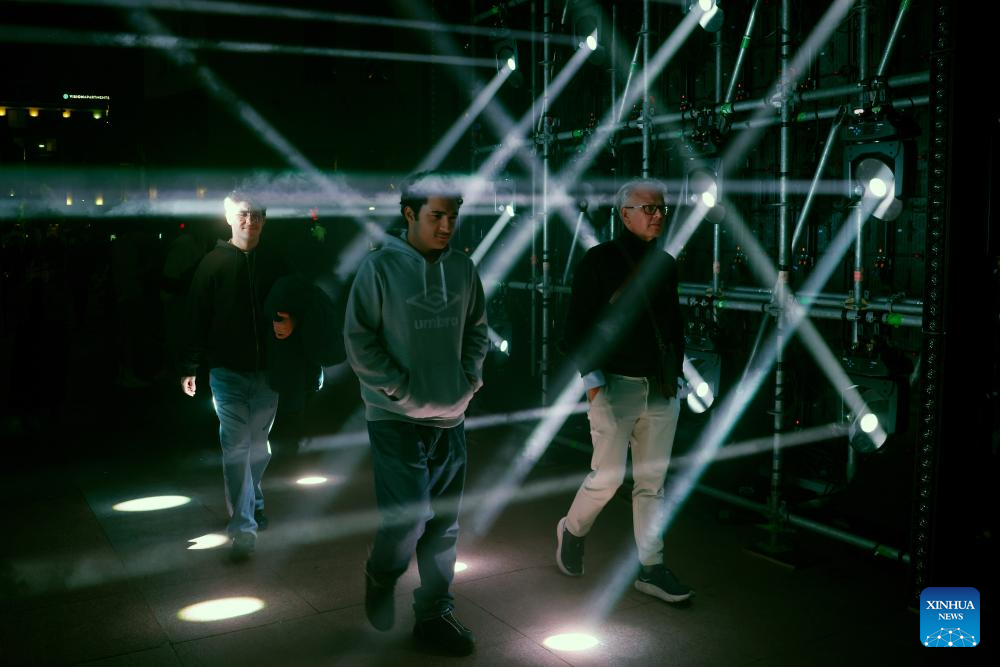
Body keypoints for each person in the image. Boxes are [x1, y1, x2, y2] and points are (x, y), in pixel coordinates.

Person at [344, 171, 489, 656]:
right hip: (394, 418)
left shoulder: (463, 269)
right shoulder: (379, 268)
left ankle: (433, 614)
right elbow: (359, 340)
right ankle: (381, 574)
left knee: (444, 524)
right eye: (436, 216)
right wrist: (400, 390)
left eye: (453, 216)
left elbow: (477, 330)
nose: (447, 226)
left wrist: (468, 381)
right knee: (408, 518)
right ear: (410, 214)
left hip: (451, 416)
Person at [556, 178, 692, 603]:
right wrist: (594, 381)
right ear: (624, 214)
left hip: (659, 387)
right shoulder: (599, 261)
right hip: (615, 384)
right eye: (649, 208)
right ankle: (572, 529)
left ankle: (652, 566)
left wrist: (674, 377)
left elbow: (673, 325)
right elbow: (573, 328)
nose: (658, 215)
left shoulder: (665, 264)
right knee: (608, 478)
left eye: (661, 208)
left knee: (651, 483)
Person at [179, 190, 290, 560]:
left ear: (264, 219)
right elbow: (196, 316)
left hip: (267, 372)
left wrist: (293, 327)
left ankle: (253, 501)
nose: (250, 221)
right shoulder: (213, 264)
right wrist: (189, 365)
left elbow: (297, 304)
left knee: (257, 447)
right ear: (229, 217)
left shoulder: (274, 261)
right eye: (243, 214)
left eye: (256, 214)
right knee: (239, 447)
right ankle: (243, 528)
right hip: (228, 372)